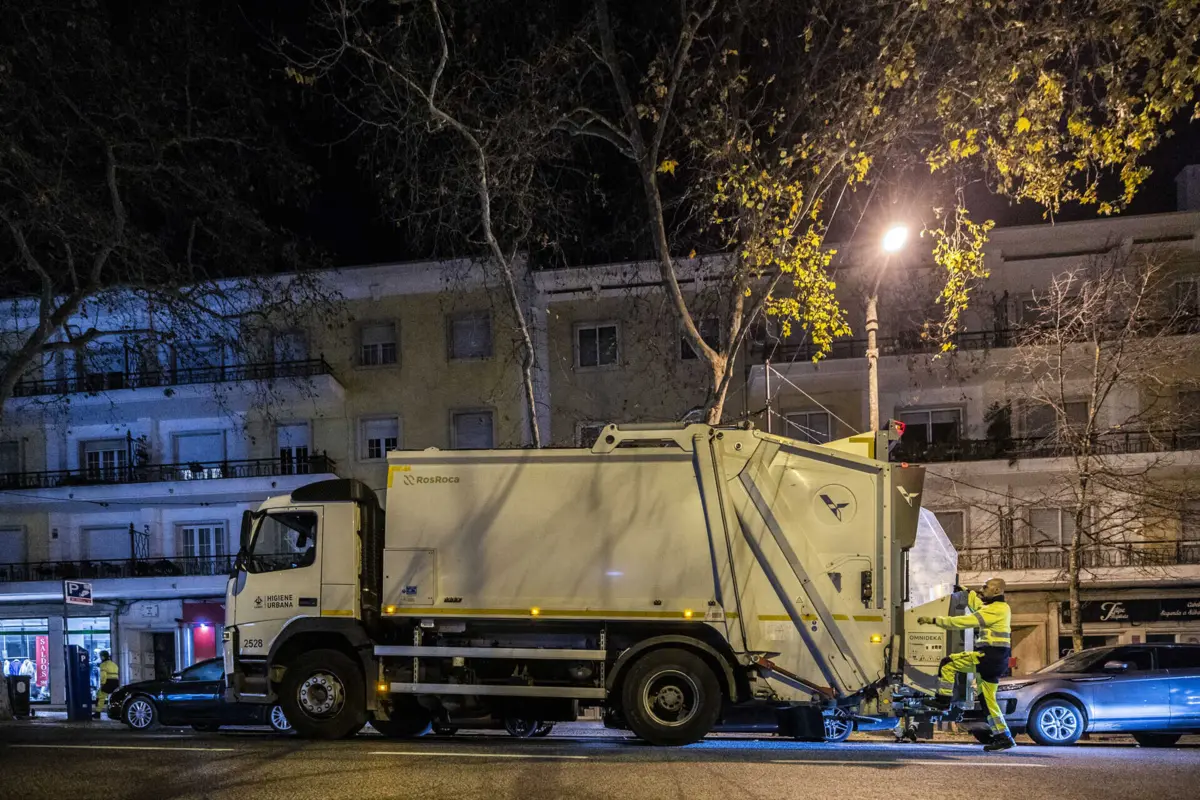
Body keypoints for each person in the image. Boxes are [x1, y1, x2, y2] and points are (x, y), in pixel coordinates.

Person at [918, 577, 1014, 752]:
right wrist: (964, 590)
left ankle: (943, 701)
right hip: (996, 658)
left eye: (986, 587)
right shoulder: (997, 608)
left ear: (996, 591)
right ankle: (1004, 737)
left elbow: (962, 622)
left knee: (948, 664)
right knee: (988, 701)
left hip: (988, 657)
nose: (982, 589)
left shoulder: (995, 610)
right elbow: (977, 603)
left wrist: (933, 621)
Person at [94, 650, 119, 719]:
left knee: (100, 696)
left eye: (100, 656)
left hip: (108, 682)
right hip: (116, 682)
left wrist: (102, 684)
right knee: (112, 697)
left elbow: (103, 676)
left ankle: (97, 713)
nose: (100, 658)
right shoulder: (114, 664)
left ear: (103, 657)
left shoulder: (103, 665)